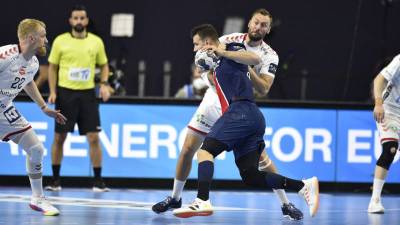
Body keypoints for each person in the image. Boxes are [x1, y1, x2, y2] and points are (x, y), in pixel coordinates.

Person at [152, 9, 304, 220]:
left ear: (268, 30)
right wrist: (212, 79)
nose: (258, 27)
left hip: (238, 106)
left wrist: (247, 70)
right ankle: (175, 197)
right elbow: (204, 67)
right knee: (188, 148)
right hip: (215, 100)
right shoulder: (228, 39)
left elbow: (264, 88)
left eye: (263, 25)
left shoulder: (269, 55)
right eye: (256, 22)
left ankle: (286, 204)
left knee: (262, 160)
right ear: (249, 23)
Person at [0, 18, 67, 215]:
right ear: (31, 38)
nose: (46, 40)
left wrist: (44, 107)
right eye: (43, 36)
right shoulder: (5, 56)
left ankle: (38, 198)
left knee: (36, 149)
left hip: (4, 108)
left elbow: (28, 82)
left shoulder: (34, 63)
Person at [45, 5, 111, 192]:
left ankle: (98, 181)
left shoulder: (96, 42)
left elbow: (104, 65)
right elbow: (52, 68)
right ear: (70, 21)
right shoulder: (60, 41)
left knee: (93, 138)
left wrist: (104, 84)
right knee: (59, 137)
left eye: (82, 18)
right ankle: (55, 181)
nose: (79, 21)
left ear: (87, 21)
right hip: (65, 94)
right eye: (76, 18)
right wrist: (52, 91)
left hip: (87, 94)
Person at [368, 53, 400, 214]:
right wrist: (378, 104)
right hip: (389, 110)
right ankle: (375, 201)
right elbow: (378, 80)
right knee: (390, 149)